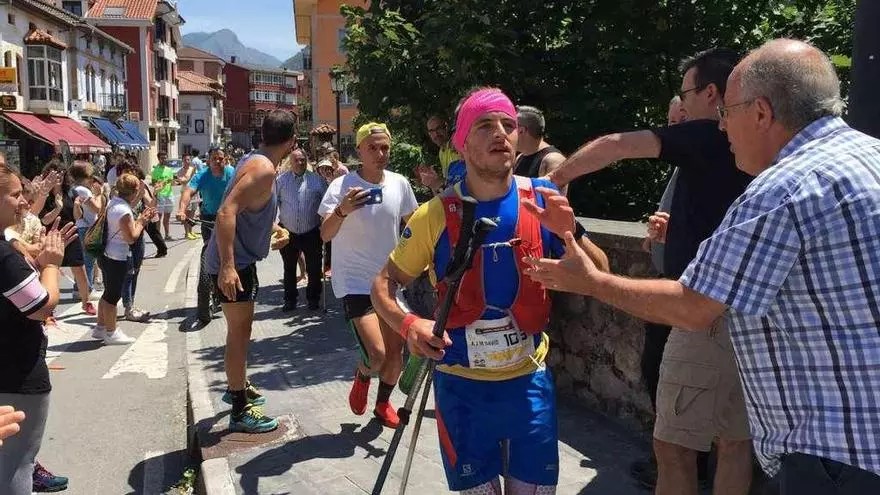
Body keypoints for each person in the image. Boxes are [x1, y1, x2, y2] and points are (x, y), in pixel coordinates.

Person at [528, 39, 880, 495]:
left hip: (838, 458)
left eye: (727, 113)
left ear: (761, 112)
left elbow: (694, 306)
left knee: (677, 444)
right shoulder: (868, 157)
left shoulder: (787, 187)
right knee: (731, 444)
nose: (722, 125)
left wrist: (591, 281)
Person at [371, 87, 609, 494]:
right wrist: (408, 324)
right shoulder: (435, 214)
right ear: (462, 144)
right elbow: (383, 283)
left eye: (508, 124)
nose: (500, 133)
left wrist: (569, 233)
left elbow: (602, 275)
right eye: (485, 125)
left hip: (527, 386)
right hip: (461, 390)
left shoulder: (541, 199)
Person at [546, 48, 753, 495]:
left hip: (699, 310)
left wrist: (552, 180)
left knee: (673, 447)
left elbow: (617, 145)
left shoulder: (708, 133)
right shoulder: (756, 145)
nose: (683, 108)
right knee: (735, 443)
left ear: (710, 93)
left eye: (685, 94)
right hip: (747, 305)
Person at [318, 122, 419, 429]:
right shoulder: (341, 186)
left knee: (395, 354)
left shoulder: (399, 183)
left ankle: (383, 404)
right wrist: (342, 210)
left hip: (388, 281)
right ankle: (363, 374)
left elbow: (414, 226)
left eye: (385, 147)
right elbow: (325, 234)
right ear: (359, 150)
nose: (380, 153)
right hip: (355, 283)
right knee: (376, 355)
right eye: (372, 147)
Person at [204, 110, 296, 434]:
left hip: (241, 262)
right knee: (239, 333)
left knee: (242, 331)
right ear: (292, 141)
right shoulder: (263, 170)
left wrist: (274, 228)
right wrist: (228, 266)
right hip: (234, 265)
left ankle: (238, 385)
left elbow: (245, 210)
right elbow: (225, 212)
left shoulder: (257, 161)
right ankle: (239, 408)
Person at [0, 157, 78, 495]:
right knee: (17, 464)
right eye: (15, 195)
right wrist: (51, 264)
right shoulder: (3, 255)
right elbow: (41, 306)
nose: (23, 202)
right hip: (16, 374)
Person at [91, 173, 156, 345]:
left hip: (106, 254)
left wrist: (140, 213)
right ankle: (112, 332)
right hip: (117, 257)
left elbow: (128, 208)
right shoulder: (124, 211)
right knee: (113, 297)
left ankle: (100, 327)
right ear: (133, 191)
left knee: (107, 293)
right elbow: (131, 237)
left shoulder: (114, 202)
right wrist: (141, 221)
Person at [178, 147, 235, 325]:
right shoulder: (202, 175)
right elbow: (188, 191)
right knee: (208, 249)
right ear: (208, 160)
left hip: (229, 216)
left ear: (225, 159)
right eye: (214, 159)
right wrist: (182, 210)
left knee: (233, 252)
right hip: (209, 217)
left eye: (220, 158)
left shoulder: (232, 173)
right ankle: (210, 285)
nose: (217, 161)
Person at [35, 163, 96, 317]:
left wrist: (77, 206)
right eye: (55, 174)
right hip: (52, 238)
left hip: (71, 234)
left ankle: (86, 302)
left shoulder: (71, 192)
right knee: (51, 272)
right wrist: (58, 208)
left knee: (80, 269)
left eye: (61, 174)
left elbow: (77, 217)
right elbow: (45, 220)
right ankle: (49, 309)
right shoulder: (44, 196)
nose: (59, 177)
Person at [277, 148, 326, 311]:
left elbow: (326, 204)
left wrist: (325, 223)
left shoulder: (317, 181)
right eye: (296, 160)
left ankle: (313, 298)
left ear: (307, 161)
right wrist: (275, 227)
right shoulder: (281, 181)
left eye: (302, 160)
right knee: (289, 267)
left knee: (314, 267)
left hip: (311, 231)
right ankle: (290, 300)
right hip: (288, 231)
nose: (299, 163)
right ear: (290, 162)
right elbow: (274, 203)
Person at [121, 165, 153, 323]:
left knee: (136, 270)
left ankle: (130, 304)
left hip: (139, 234)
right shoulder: (119, 193)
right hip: (126, 236)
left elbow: (152, 205)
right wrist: (139, 194)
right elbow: (128, 207)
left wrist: (153, 193)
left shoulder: (141, 190)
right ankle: (128, 306)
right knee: (128, 273)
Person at [69, 161, 104, 292]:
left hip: (80, 226)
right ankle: (86, 288)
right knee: (88, 261)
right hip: (88, 227)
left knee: (83, 260)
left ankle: (79, 287)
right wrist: (99, 194)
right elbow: (96, 208)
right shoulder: (83, 191)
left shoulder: (74, 188)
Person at [514, 106, 566, 184]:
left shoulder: (553, 160)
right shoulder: (520, 157)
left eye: (509, 127)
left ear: (521, 130)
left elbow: (557, 191)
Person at [416, 115, 465, 194]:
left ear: (446, 127)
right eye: (432, 131)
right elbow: (447, 184)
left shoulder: (456, 144)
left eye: (438, 128)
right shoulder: (441, 152)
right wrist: (432, 182)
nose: (436, 134)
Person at [150, 151, 175, 241]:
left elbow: (172, 182)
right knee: (159, 217)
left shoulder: (169, 170)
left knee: (167, 216)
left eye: (165, 158)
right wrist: (160, 184)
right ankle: (158, 236)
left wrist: (172, 181)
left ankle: (167, 235)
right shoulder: (155, 170)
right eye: (162, 158)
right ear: (158, 159)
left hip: (169, 195)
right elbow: (153, 183)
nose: (164, 159)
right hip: (160, 195)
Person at [175, 155, 200, 241]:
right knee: (186, 213)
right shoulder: (180, 171)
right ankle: (187, 233)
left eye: (188, 159)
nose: (187, 161)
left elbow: (197, 180)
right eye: (185, 160)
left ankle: (191, 231)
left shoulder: (193, 169)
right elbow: (184, 181)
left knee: (192, 213)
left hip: (194, 193)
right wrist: (191, 174)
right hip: (186, 194)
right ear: (182, 161)